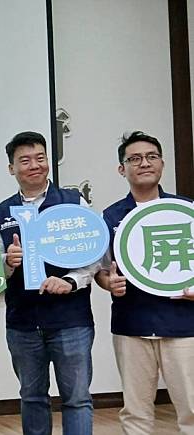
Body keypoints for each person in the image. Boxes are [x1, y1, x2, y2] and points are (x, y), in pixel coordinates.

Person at [0, 131, 97, 435]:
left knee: (77, 399)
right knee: (32, 397)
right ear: (12, 168)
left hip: (71, 320)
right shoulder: (1, 212)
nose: (34, 165)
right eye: (24, 160)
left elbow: (95, 252)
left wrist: (71, 281)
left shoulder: (72, 200)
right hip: (22, 323)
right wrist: (7, 263)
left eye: (40, 158)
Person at [94, 131, 194, 435]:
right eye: (134, 158)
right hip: (132, 324)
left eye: (151, 156)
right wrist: (107, 283)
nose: (144, 163)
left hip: (183, 325)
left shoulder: (185, 210)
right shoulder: (110, 216)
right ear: (122, 169)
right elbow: (100, 269)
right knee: (135, 412)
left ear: (162, 163)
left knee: (191, 408)